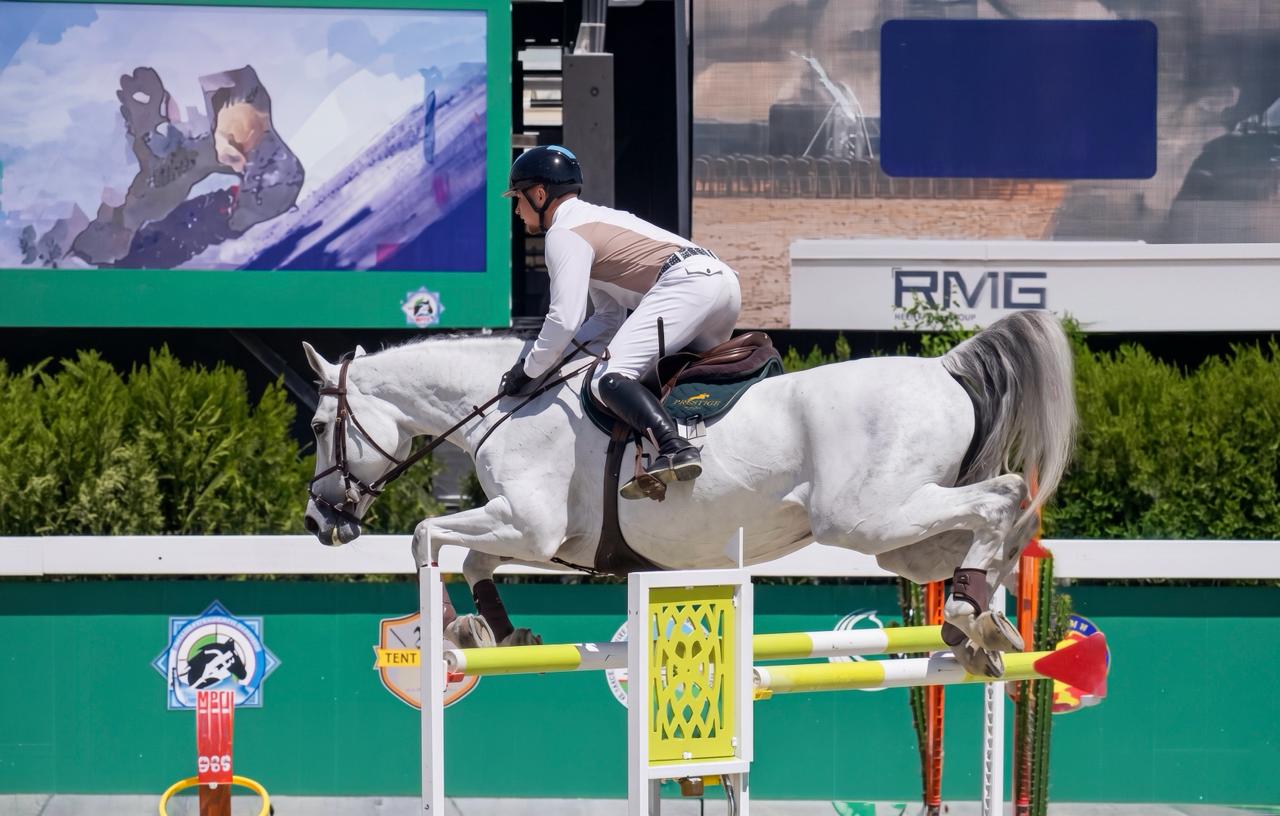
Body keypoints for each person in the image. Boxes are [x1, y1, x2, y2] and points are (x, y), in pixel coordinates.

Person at [499, 145, 742, 499]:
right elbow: (608, 318)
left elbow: (564, 320)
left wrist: (531, 369)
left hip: (687, 284)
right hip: (723, 284)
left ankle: (674, 449)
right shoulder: (594, 221)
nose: (517, 211)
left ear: (539, 194)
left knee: (607, 379)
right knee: (670, 379)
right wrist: (562, 360)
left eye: (517, 199)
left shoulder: (563, 233)